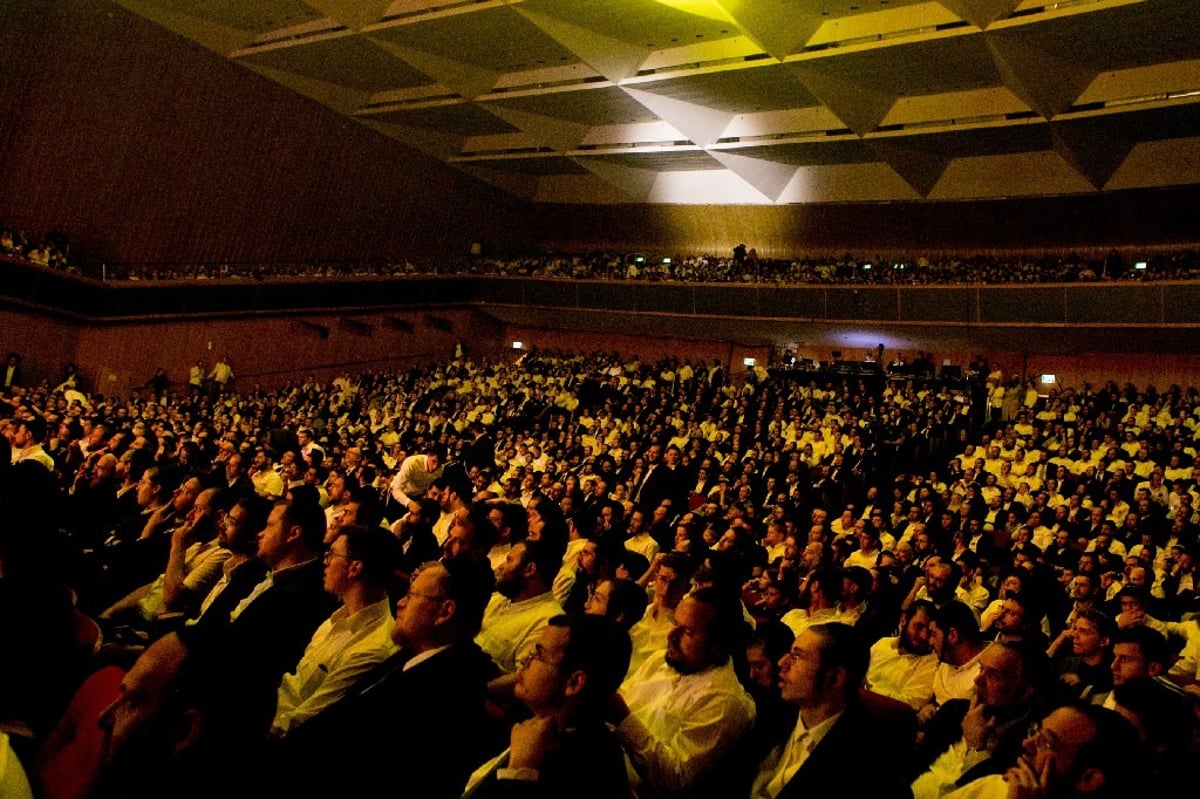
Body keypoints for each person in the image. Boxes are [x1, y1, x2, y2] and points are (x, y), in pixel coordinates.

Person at [268, 557, 500, 799]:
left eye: (411, 595)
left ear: (445, 612)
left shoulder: (448, 691)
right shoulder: (411, 655)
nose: (400, 603)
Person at [462, 614, 632, 798]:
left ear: (574, 683)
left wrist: (519, 772)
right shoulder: (540, 718)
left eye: (539, 655)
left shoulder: (589, 766)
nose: (526, 660)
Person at [609, 587, 756, 797]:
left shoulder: (724, 701)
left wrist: (623, 718)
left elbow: (677, 780)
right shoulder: (663, 660)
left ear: (718, 645)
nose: (671, 635)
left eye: (687, 631)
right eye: (675, 623)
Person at [750, 622, 912, 798]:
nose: (782, 662)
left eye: (797, 657)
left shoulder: (869, 766)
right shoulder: (774, 714)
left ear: (835, 677)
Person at [269, 525, 398, 736]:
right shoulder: (339, 615)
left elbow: (305, 722)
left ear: (354, 568)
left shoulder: (372, 649)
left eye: (332, 555)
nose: (325, 562)